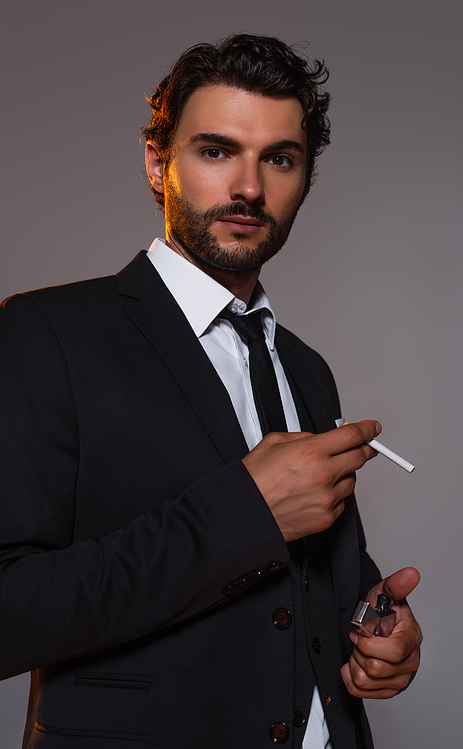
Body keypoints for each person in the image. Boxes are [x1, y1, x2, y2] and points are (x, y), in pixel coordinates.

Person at [0, 33, 421, 749]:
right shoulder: (46, 334)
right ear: (158, 162)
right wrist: (245, 510)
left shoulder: (306, 366)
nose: (250, 188)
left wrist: (377, 630)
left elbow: (305, 586)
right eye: (217, 151)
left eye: (279, 160)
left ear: (305, 181)